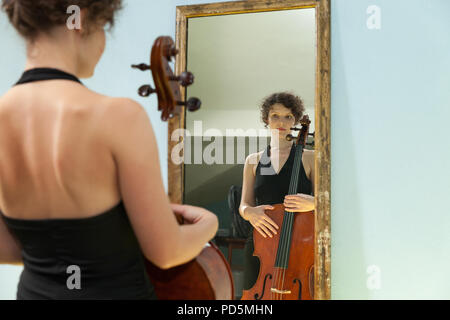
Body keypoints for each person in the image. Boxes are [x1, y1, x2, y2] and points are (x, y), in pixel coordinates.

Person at [0, 0, 218, 299]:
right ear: (81, 19)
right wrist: (209, 224)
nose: (103, 42)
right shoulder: (118, 116)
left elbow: (6, 248)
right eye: (104, 28)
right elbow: (167, 253)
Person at [238, 92, 315, 293]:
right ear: (266, 119)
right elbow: (244, 205)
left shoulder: (311, 158)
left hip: (300, 245)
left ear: (296, 120)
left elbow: (329, 202)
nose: (281, 121)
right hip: (260, 246)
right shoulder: (252, 160)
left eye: (288, 116)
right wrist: (249, 213)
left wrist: (315, 203)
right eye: (275, 116)